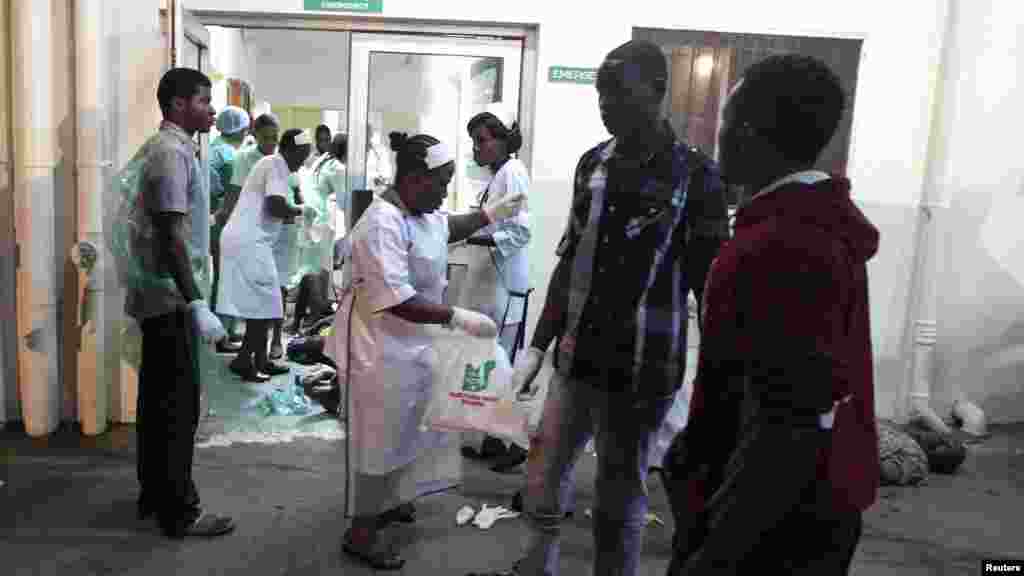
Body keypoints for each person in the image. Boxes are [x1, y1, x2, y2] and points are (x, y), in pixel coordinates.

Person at [469, 40, 728, 576]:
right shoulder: (593, 165)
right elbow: (569, 261)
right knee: (542, 479)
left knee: (618, 497)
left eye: (619, 92)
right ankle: (535, 567)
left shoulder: (695, 175)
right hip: (576, 357)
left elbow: (711, 284)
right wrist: (537, 348)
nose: (606, 104)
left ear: (658, 90)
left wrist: (716, 382)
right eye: (601, 93)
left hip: (643, 368)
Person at [666, 54, 879, 575]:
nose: (718, 135)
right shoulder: (814, 224)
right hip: (805, 498)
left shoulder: (783, 244)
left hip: (775, 521)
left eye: (727, 119)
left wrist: (717, 553)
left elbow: (788, 425)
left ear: (749, 131)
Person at [327, 131, 526, 571]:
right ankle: (361, 533)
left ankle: (389, 503)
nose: (444, 191)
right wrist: (457, 316)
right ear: (415, 179)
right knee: (380, 440)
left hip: (410, 344)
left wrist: (490, 214)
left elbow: (447, 227)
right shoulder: (382, 223)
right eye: (441, 182)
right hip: (378, 349)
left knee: (407, 431)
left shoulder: (421, 212)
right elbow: (395, 298)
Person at [129, 67, 234, 539]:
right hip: (171, 299)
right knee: (177, 407)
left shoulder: (170, 148)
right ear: (177, 104)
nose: (211, 110)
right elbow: (171, 236)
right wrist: (196, 302)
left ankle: (155, 495)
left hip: (161, 295)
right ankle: (179, 512)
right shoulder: (171, 153)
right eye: (203, 100)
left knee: (157, 401)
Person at [459, 106, 533, 473]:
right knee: (490, 363)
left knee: (501, 365)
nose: (477, 148)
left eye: (482, 141)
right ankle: (492, 438)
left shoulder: (513, 172)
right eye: (474, 142)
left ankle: (518, 441)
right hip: (491, 284)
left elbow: (520, 231)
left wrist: (474, 236)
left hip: (504, 286)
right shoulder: (498, 176)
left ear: (503, 140)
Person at [217, 129, 315, 382]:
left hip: (250, 241)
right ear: (290, 149)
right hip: (249, 242)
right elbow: (275, 206)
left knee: (266, 305)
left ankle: (257, 360)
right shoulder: (275, 165)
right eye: (302, 155)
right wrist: (301, 210)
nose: (302, 162)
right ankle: (245, 362)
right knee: (263, 305)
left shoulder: (275, 166)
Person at [290, 133, 348, 333]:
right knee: (317, 273)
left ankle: (297, 321)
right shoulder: (338, 168)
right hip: (320, 224)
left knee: (308, 272)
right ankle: (313, 322)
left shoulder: (322, 160)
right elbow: (344, 201)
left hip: (310, 221)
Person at [209, 105, 250, 354]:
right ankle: (222, 334)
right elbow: (234, 193)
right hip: (223, 222)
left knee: (223, 276)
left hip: (213, 222)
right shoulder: (230, 156)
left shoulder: (214, 148)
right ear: (241, 130)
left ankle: (226, 329)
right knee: (226, 278)